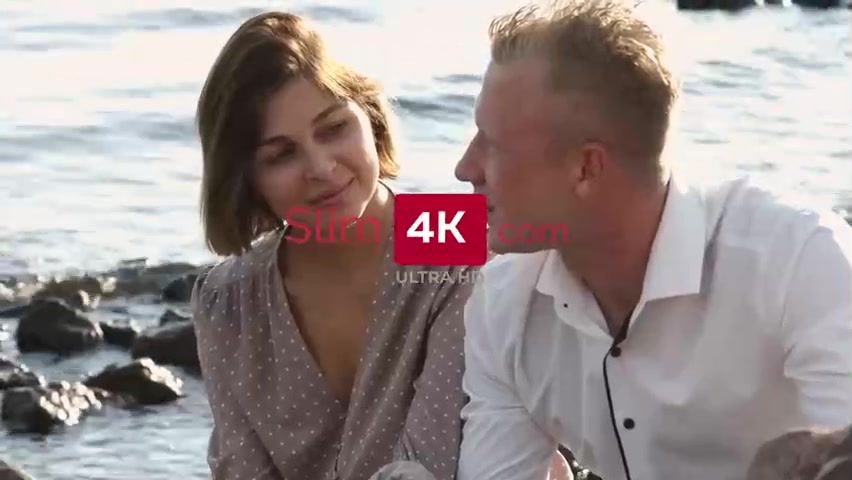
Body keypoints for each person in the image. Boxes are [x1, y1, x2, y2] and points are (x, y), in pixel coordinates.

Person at [453, 1, 852, 479]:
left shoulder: (800, 261)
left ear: (586, 168)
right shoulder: (504, 304)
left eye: (492, 145)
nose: (464, 169)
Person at [191, 11, 473, 480]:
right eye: (282, 154)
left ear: (370, 118)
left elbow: (431, 462)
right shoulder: (227, 301)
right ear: (246, 180)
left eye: (334, 128)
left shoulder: (460, 241)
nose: (321, 168)